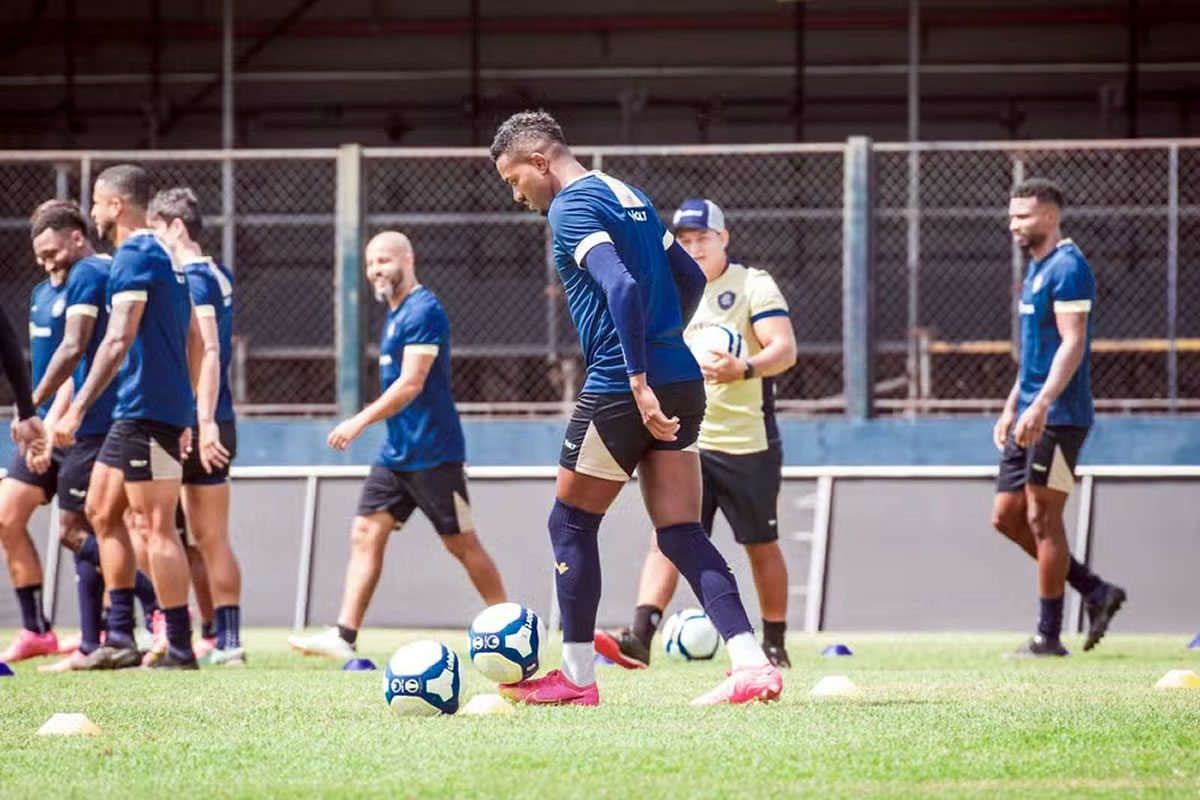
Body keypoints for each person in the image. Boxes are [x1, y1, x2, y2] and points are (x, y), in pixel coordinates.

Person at [489, 110, 783, 706]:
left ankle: (577, 679)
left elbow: (619, 285)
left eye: (515, 180)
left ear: (540, 162)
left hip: (623, 388)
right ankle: (751, 663)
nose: (517, 195)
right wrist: (664, 338)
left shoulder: (570, 207)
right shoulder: (629, 195)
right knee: (680, 531)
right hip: (684, 379)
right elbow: (689, 277)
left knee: (569, 524)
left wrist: (638, 377)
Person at [596, 198, 797, 670]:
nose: (694, 248)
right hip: (689, 440)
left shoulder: (753, 284)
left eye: (702, 238)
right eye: (684, 240)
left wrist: (744, 368)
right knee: (668, 535)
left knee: (760, 543)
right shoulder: (672, 287)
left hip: (746, 443)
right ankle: (640, 636)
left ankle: (774, 643)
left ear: (723, 238)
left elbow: (784, 349)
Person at [287, 231, 506, 660]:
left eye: (384, 260)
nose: (376, 270)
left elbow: (411, 383)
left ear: (408, 259)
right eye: (371, 263)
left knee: (460, 543)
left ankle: (511, 624)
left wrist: (359, 421)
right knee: (366, 530)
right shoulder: (395, 313)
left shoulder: (424, 310)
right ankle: (344, 635)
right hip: (396, 453)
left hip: (434, 453)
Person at [55, 163, 210, 670]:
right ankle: (120, 636)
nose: (93, 212)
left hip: (147, 412)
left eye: (97, 202)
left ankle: (180, 647)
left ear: (116, 205)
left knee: (155, 526)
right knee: (102, 512)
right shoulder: (161, 255)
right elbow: (193, 338)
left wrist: (76, 408)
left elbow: (118, 338)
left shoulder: (135, 254)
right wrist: (185, 409)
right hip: (140, 412)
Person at [995, 177, 1126, 657]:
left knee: (1043, 518)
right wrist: (1013, 404)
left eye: (1023, 216)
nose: (1014, 224)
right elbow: (1036, 352)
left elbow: (1073, 343)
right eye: (1011, 216)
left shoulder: (1069, 267)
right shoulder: (1037, 268)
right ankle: (1094, 589)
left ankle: (1047, 636)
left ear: (1049, 216)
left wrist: (1042, 404)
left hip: (1060, 417)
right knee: (1006, 517)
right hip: (1030, 411)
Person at [148, 187, 243, 665]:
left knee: (191, 535)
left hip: (196, 422)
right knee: (192, 537)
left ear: (176, 227)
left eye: (156, 232)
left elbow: (205, 352)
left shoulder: (195, 279)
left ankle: (214, 637)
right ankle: (214, 635)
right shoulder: (220, 273)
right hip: (209, 419)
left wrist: (199, 421)